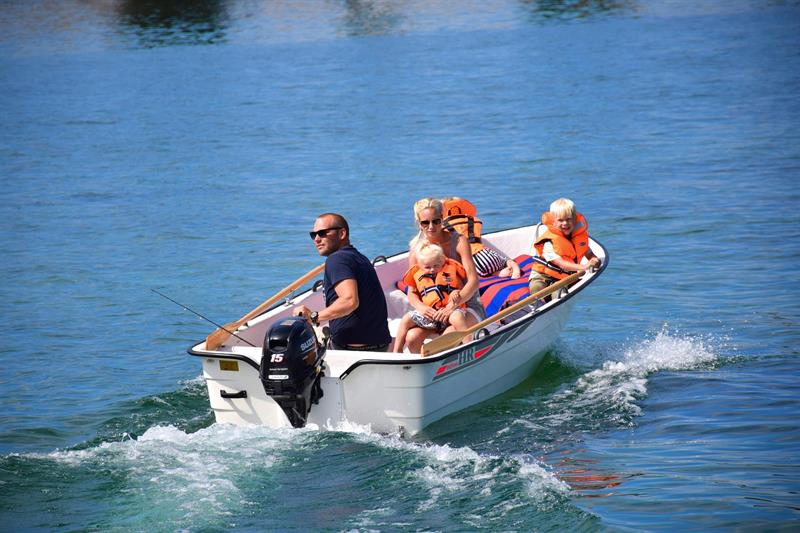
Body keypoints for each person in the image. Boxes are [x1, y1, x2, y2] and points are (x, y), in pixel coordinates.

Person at [294, 213, 391, 351]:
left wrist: (314, 317)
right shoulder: (359, 258)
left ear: (342, 233)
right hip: (380, 346)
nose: (316, 239)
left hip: (352, 350)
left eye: (322, 233)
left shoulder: (337, 259)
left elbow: (349, 301)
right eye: (313, 235)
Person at [405, 198, 485, 353]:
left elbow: (473, 281)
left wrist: (452, 306)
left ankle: (468, 357)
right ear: (419, 223)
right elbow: (412, 291)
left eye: (436, 221)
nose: (431, 227)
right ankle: (427, 366)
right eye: (425, 223)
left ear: (442, 218)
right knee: (411, 338)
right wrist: (423, 308)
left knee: (446, 338)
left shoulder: (459, 241)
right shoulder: (416, 251)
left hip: (465, 305)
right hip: (434, 311)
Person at [392, 243, 470, 353]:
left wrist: (456, 292)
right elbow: (412, 294)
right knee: (406, 319)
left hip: (449, 312)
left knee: (457, 317)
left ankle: (469, 343)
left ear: (442, 262)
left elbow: (460, 288)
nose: (432, 269)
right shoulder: (417, 276)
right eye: (428, 267)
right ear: (420, 265)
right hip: (430, 316)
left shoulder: (450, 271)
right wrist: (423, 309)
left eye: (436, 266)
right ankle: (397, 350)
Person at [528, 198, 601, 297]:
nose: (565, 223)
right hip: (542, 274)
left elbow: (588, 253)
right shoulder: (549, 241)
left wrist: (594, 260)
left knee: (559, 293)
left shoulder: (578, 237)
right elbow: (560, 263)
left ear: (574, 219)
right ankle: (537, 302)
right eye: (560, 220)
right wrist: (584, 267)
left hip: (563, 278)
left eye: (569, 219)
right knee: (536, 287)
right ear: (553, 221)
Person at [441, 196, 521, 278]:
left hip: (472, 264)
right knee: (506, 261)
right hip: (487, 256)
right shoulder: (473, 220)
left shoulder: (442, 227)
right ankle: (513, 266)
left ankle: (495, 274)